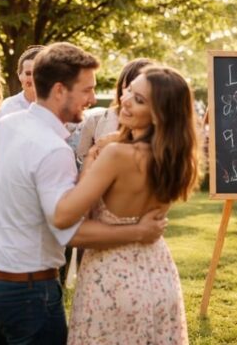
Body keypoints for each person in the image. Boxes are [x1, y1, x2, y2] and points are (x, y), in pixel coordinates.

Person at [0, 43, 170, 344]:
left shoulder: (5, 125)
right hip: (26, 293)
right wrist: (138, 231)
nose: (93, 99)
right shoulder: (53, 150)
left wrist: (88, 165)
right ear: (60, 90)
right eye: (87, 90)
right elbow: (70, 230)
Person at [54, 65, 197, 344]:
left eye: (139, 100)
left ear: (159, 115)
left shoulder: (117, 156)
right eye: (129, 90)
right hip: (158, 275)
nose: (126, 100)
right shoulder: (175, 160)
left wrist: (91, 159)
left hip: (112, 280)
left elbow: (64, 219)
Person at [76, 58, 154, 164]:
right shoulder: (96, 120)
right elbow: (82, 159)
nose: (126, 97)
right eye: (127, 88)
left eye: (138, 97)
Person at [0, 45, 45, 123]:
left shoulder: (59, 107)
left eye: (40, 73)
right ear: (19, 75)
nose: (34, 78)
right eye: (28, 73)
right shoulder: (8, 107)